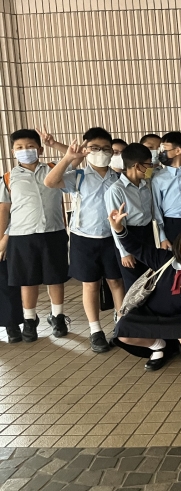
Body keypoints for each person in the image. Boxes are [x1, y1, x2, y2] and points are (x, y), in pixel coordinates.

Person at [108, 204, 181, 371]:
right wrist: (119, 229)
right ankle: (158, 346)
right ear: (179, 244)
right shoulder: (164, 259)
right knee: (123, 331)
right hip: (152, 315)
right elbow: (137, 248)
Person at [44, 128, 125, 352]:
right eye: (95, 148)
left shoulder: (118, 177)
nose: (101, 152)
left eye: (106, 149)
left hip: (113, 237)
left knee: (116, 282)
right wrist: (68, 157)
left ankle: (122, 324)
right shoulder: (78, 175)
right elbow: (50, 182)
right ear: (85, 150)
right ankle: (95, 330)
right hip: (84, 238)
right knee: (90, 284)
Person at [0, 129, 69, 342]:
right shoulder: (8, 178)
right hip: (22, 236)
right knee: (27, 280)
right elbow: (4, 210)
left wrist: (55, 143)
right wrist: (2, 238)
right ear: (13, 152)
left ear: (40, 149)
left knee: (55, 278)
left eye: (30, 146)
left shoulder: (54, 169)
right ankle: (30, 320)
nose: (25, 150)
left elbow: (76, 157)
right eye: (19, 147)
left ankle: (57, 317)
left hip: (53, 233)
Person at [104, 143, 157, 290]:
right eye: (149, 164)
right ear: (137, 166)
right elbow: (116, 224)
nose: (151, 168)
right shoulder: (116, 190)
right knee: (134, 285)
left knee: (150, 280)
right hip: (128, 235)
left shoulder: (146, 184)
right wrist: (124, 252)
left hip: (147, 234)